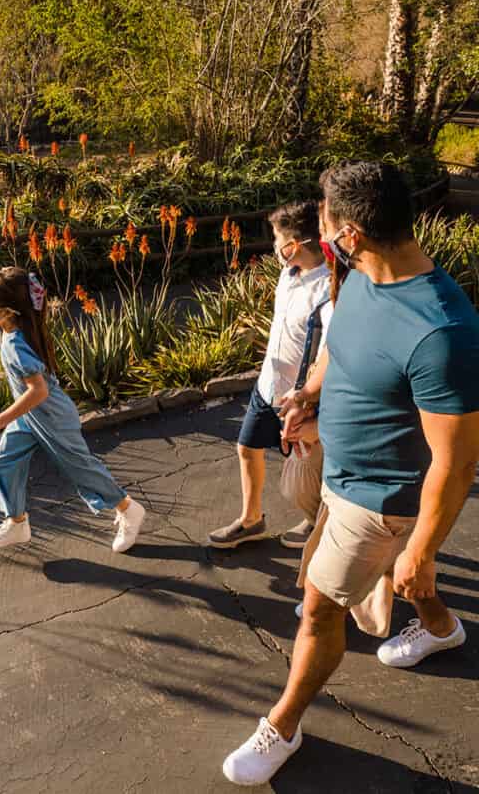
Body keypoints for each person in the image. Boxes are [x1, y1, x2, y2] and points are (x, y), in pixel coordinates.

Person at [223, 161, 479, 787]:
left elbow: (457, 459)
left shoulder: (442, 331)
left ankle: (283, 724)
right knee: (401, 582)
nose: (319, 234)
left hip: (382, 499)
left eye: (325, 223)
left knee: (316, 608)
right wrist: (309, 396)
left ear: (352, 232)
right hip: (335, 472)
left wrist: (422, 545)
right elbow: (340, 347)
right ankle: (442, 628)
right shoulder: (359, 274)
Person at [0, 266, 146, 553]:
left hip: (51, 417)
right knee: (3, 465)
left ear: (8, 311)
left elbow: (38, 391)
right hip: (31, 418)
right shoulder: (16, 331)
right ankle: (17, 524)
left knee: (81, 469)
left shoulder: (16, 343)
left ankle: (129, 509)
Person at [209, 201, 330, 551]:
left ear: (293, 245)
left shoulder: (328, 288)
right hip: (268, 386)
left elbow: (327, 351)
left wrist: (309, 397)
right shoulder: (287, 274)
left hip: (300, 395)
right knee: (247, 447)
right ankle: (251, 520)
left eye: (278, 239)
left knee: (307, 468)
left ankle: (315, 520)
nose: (274, 247)